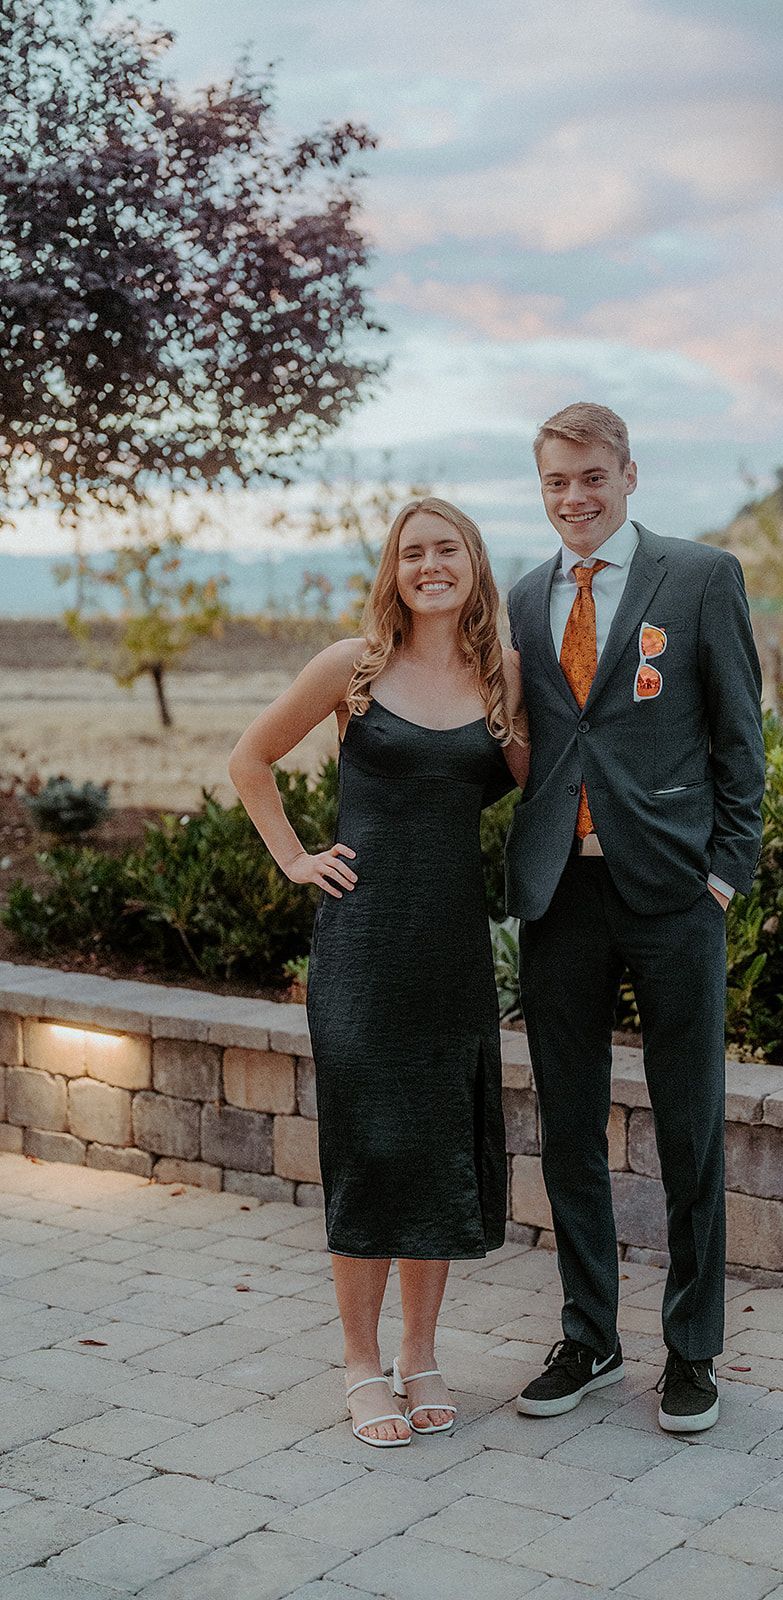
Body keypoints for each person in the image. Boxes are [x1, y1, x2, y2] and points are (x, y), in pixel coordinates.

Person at [228, 497, 527, 1447]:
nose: (430, 565)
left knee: (439, 1151)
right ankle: (362, 1366)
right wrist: (293, 858)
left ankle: (423, 1354)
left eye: (447, 550)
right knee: (369, 1150)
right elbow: (251, 758)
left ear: (473, 564)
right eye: (413, 553)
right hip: (361, 949)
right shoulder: (349, 667)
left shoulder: (502, 678)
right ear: (393, 571)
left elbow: (551, 780)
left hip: (451, 952)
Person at [505, 403, 764, 1433]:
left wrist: (723, 877)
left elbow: (739, 740)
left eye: (591, 477)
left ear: (627, 474)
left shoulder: (698, 578)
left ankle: (691, 1348)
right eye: (556, 482)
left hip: (671, 897)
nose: (574, 497)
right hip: (556, 897)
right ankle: (590, 1333)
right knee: (566, 1125)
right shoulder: (525, 600)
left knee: (688, 1124)